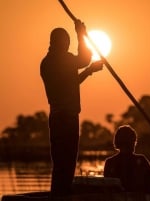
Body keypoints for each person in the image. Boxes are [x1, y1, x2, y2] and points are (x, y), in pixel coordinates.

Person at [40, 19, 103, 197]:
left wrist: (90, 70)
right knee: (66, 164)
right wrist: (81, 34)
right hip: (67, 118)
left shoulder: (46, 63)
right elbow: (84, 58)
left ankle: (59, 195)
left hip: (56, 117)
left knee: (60, 164)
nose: (68, 45)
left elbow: (70, 84)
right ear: (61, 43)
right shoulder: (63, 59)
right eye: (67, 42)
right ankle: (62, 196)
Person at [104, 125, 150, 194]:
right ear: (132, 143)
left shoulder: (109, 162)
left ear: (117, 142)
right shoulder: (141, 160)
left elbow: (106, 188)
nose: (135, 144)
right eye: (134, 142)